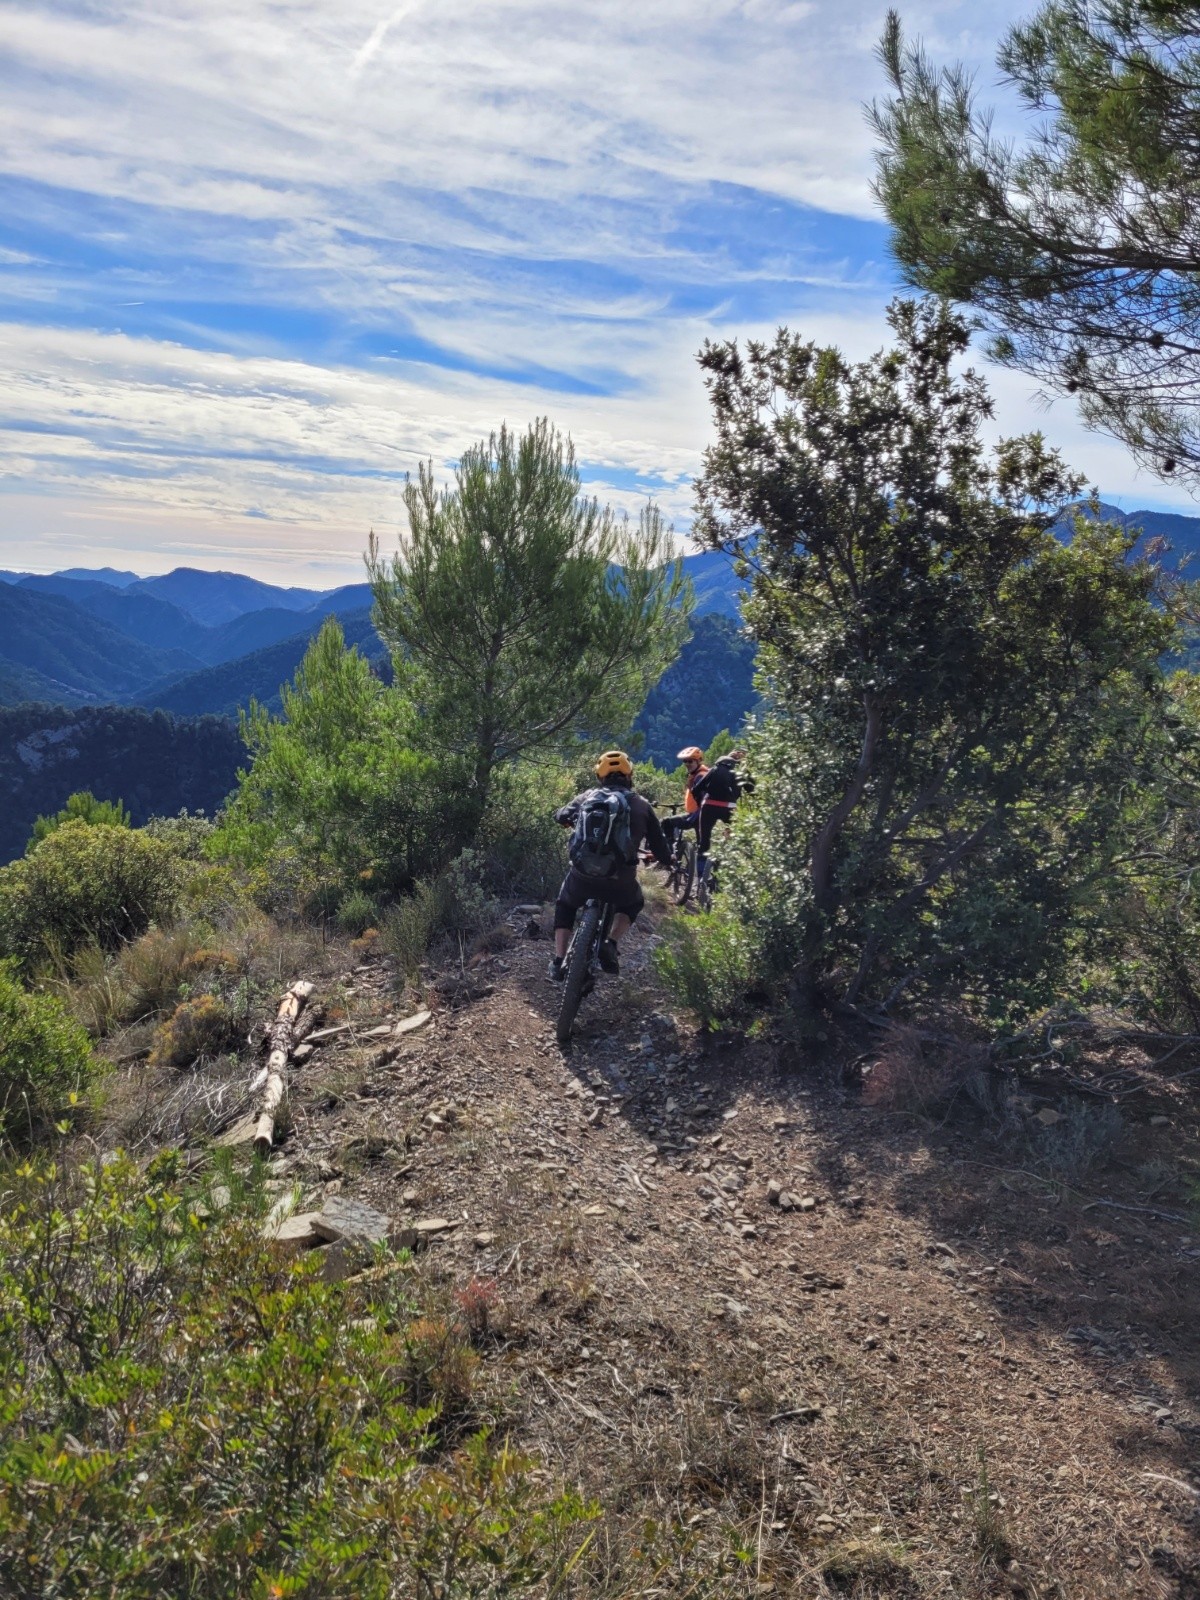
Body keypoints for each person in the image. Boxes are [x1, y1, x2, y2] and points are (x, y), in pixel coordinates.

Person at [550, 749, 671, 981]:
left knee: (565, 904)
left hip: (582, 877)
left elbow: (560, 816)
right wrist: (666, 860)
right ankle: (611, 942)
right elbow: (661, 851)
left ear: (600, 776)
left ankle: (558, 961)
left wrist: (567, 819)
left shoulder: (587, 797)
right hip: (620, 882)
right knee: (634, 902)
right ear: (629, 775)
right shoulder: (642, 806)